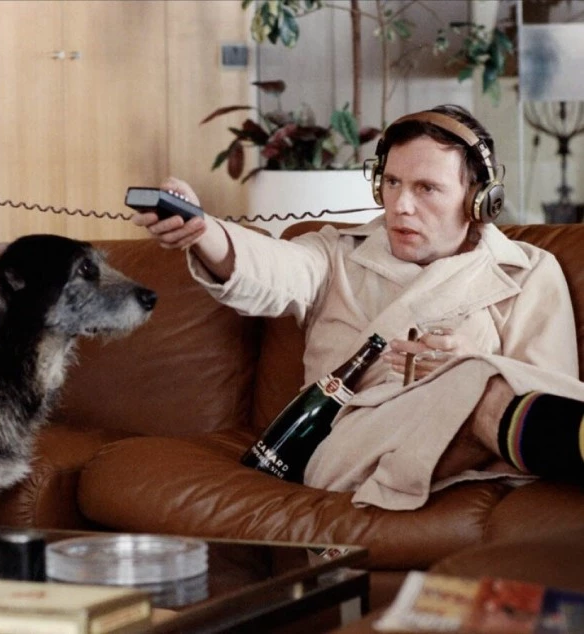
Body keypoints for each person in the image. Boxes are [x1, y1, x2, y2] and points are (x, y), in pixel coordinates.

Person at [133, 104, 584, 510]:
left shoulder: (527, 271)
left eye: (427, 188)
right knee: (476, 384)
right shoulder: (336, 254)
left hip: (464, 455)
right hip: (348, 448)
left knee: (476, 380)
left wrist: (468, 360)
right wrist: (204, 231)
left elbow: (553, 390)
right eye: (392, 182)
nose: (401, 206)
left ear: (478, 200)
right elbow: (270, 268)